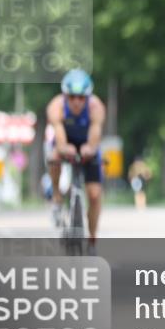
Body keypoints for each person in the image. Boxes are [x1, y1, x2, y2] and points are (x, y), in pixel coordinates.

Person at [46, 68, 106, 253]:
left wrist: (90, 148)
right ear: (65, 96)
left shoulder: (96, 107)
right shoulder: (56, 107)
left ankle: (92, 241)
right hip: (66, 141)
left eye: (81, 97)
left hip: (88, 143)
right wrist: (65, 148)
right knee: (54, 157)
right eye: (72, 97)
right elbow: (60, 137)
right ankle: (57, 195)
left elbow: (95, 135)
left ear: (87, 97)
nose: (76, 102)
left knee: (95, 195)